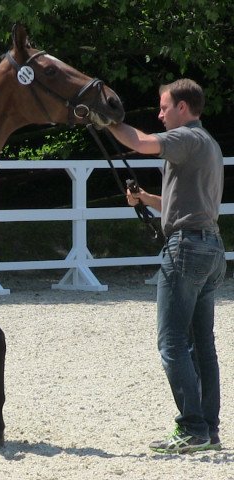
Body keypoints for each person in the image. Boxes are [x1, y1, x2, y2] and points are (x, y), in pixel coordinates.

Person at [107, 78, 226, 454]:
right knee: (202, 344)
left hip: (186, 249)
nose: (159, 114)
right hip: (210, 246)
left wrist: (105, 120)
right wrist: (146, 198)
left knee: (172, 341)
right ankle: (208, 428)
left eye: (163, 107)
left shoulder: (185, 138)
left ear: (183, 107)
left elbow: (140, 142)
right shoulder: (207, 143)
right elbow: (185, 204)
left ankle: (191, 427)